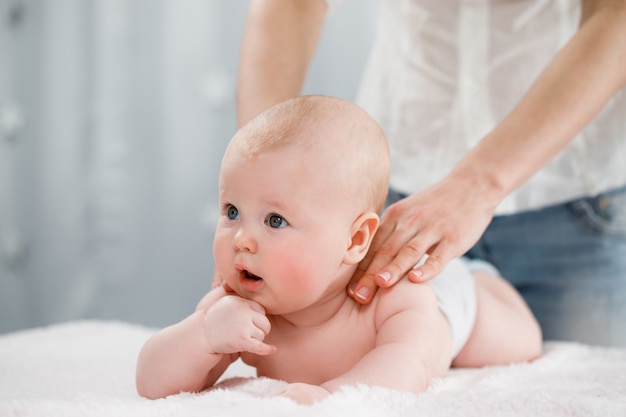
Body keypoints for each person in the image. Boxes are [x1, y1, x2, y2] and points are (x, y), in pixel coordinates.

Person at [236, 0, 626, 347]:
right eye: (231, 212)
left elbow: (617, 12)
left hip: (571, 200)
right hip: (398, 195)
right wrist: (258, 185)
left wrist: (479, 184)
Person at [135, 96, 542, 404]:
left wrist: (333, 397)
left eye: (275, 220)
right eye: (232, 211)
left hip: (445, 291)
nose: (242, 238)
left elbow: (411, 367)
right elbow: (152, 383)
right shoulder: (235, 307)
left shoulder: (395, 297)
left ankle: (485, 278)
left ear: (355, 240)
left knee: (518, 343)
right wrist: (203, 336)